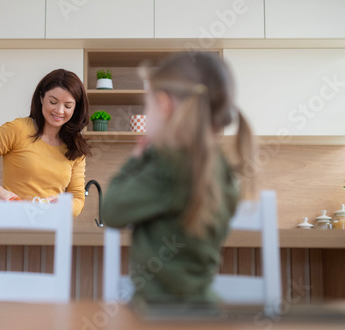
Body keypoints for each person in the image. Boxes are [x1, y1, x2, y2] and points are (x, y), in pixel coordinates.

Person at [102, 52, 257, 305]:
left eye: (147, 105)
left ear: (163, 106)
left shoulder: (166, 166)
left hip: (157, 313)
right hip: (203, 307)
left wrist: (136, 159)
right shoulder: (222, 168)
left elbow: (111, 210)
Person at [0, 69, 90, 217]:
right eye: (53, 102)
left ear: (76, 108)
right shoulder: (18, 129)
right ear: (41, 97)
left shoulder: (75, 147)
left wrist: (63, 205)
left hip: (52, 230)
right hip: (14, 226)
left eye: (68, 106)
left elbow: (78, 198)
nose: (59, 111)